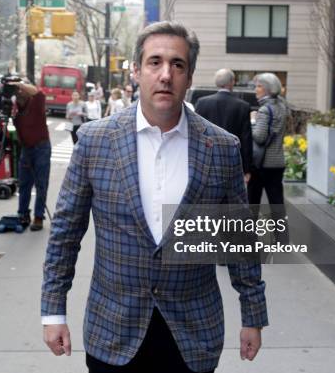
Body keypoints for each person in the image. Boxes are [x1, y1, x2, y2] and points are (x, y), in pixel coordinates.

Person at [41, 21, 268, 373]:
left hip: (192, 335)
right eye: (155, 62)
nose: (166, 75)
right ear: (136, 71)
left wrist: (252, 314)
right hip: (113, 331)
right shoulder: (95, 140)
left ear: (189, 76)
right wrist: (53, 310)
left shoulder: (222, 147)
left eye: (177, 65)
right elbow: (65, 234)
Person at [195, 68, 252, 182]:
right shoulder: (243, 106)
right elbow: (246, 140)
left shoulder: (202, 103)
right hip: (233, 163)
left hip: (206, 162)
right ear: (232, 82)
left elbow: (196, 133)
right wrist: (247, 170)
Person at [10, 80, 51, 232]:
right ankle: (23, 214)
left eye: (21, 92)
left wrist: (19, 84)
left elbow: (38, 92)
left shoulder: (36, 102)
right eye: (17, 92)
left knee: (41, 183)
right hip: (26, 149)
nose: (18, 94)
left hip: (41, 147)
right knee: (24, 183)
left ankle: (38, 216)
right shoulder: (15, 109)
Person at [248, 72, 289, 221]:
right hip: (277, 162)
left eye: (259, 86)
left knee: (253, 204)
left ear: (267, 89)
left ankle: (249, 241)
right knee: (277, 204)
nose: (255, 90)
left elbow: (259, 137)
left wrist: (253, 120)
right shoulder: (282, 106)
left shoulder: (265, 110)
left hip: (262, 164)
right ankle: (282, 241)